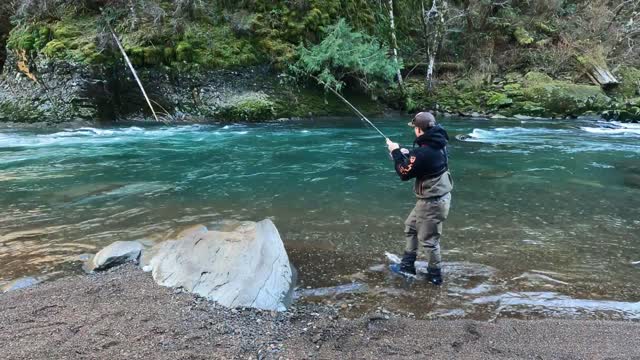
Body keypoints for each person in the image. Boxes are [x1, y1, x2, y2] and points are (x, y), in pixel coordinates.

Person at [386, 112, 453, 285]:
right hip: (434, 199)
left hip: (432, 202)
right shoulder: (438, 142)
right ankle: (407, 266)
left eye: (414, 128)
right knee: (410, 226)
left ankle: (435, 276)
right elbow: (422, 162)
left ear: (419, 130)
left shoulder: (423, 152)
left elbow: (404, 173)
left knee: (429, 241)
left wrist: (395, 153)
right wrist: (406, 153)